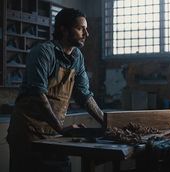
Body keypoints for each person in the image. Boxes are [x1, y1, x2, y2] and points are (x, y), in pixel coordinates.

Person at [7, 8, 104, 172]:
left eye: (86, 29)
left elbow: (84, 95)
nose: (86, 34)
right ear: (63, 29)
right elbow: (38, 95)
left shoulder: (77, 57)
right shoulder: (43, 52)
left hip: (54, 132)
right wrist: (60, 128)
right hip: (28, 132)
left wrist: (107, 123)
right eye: (80, 28)